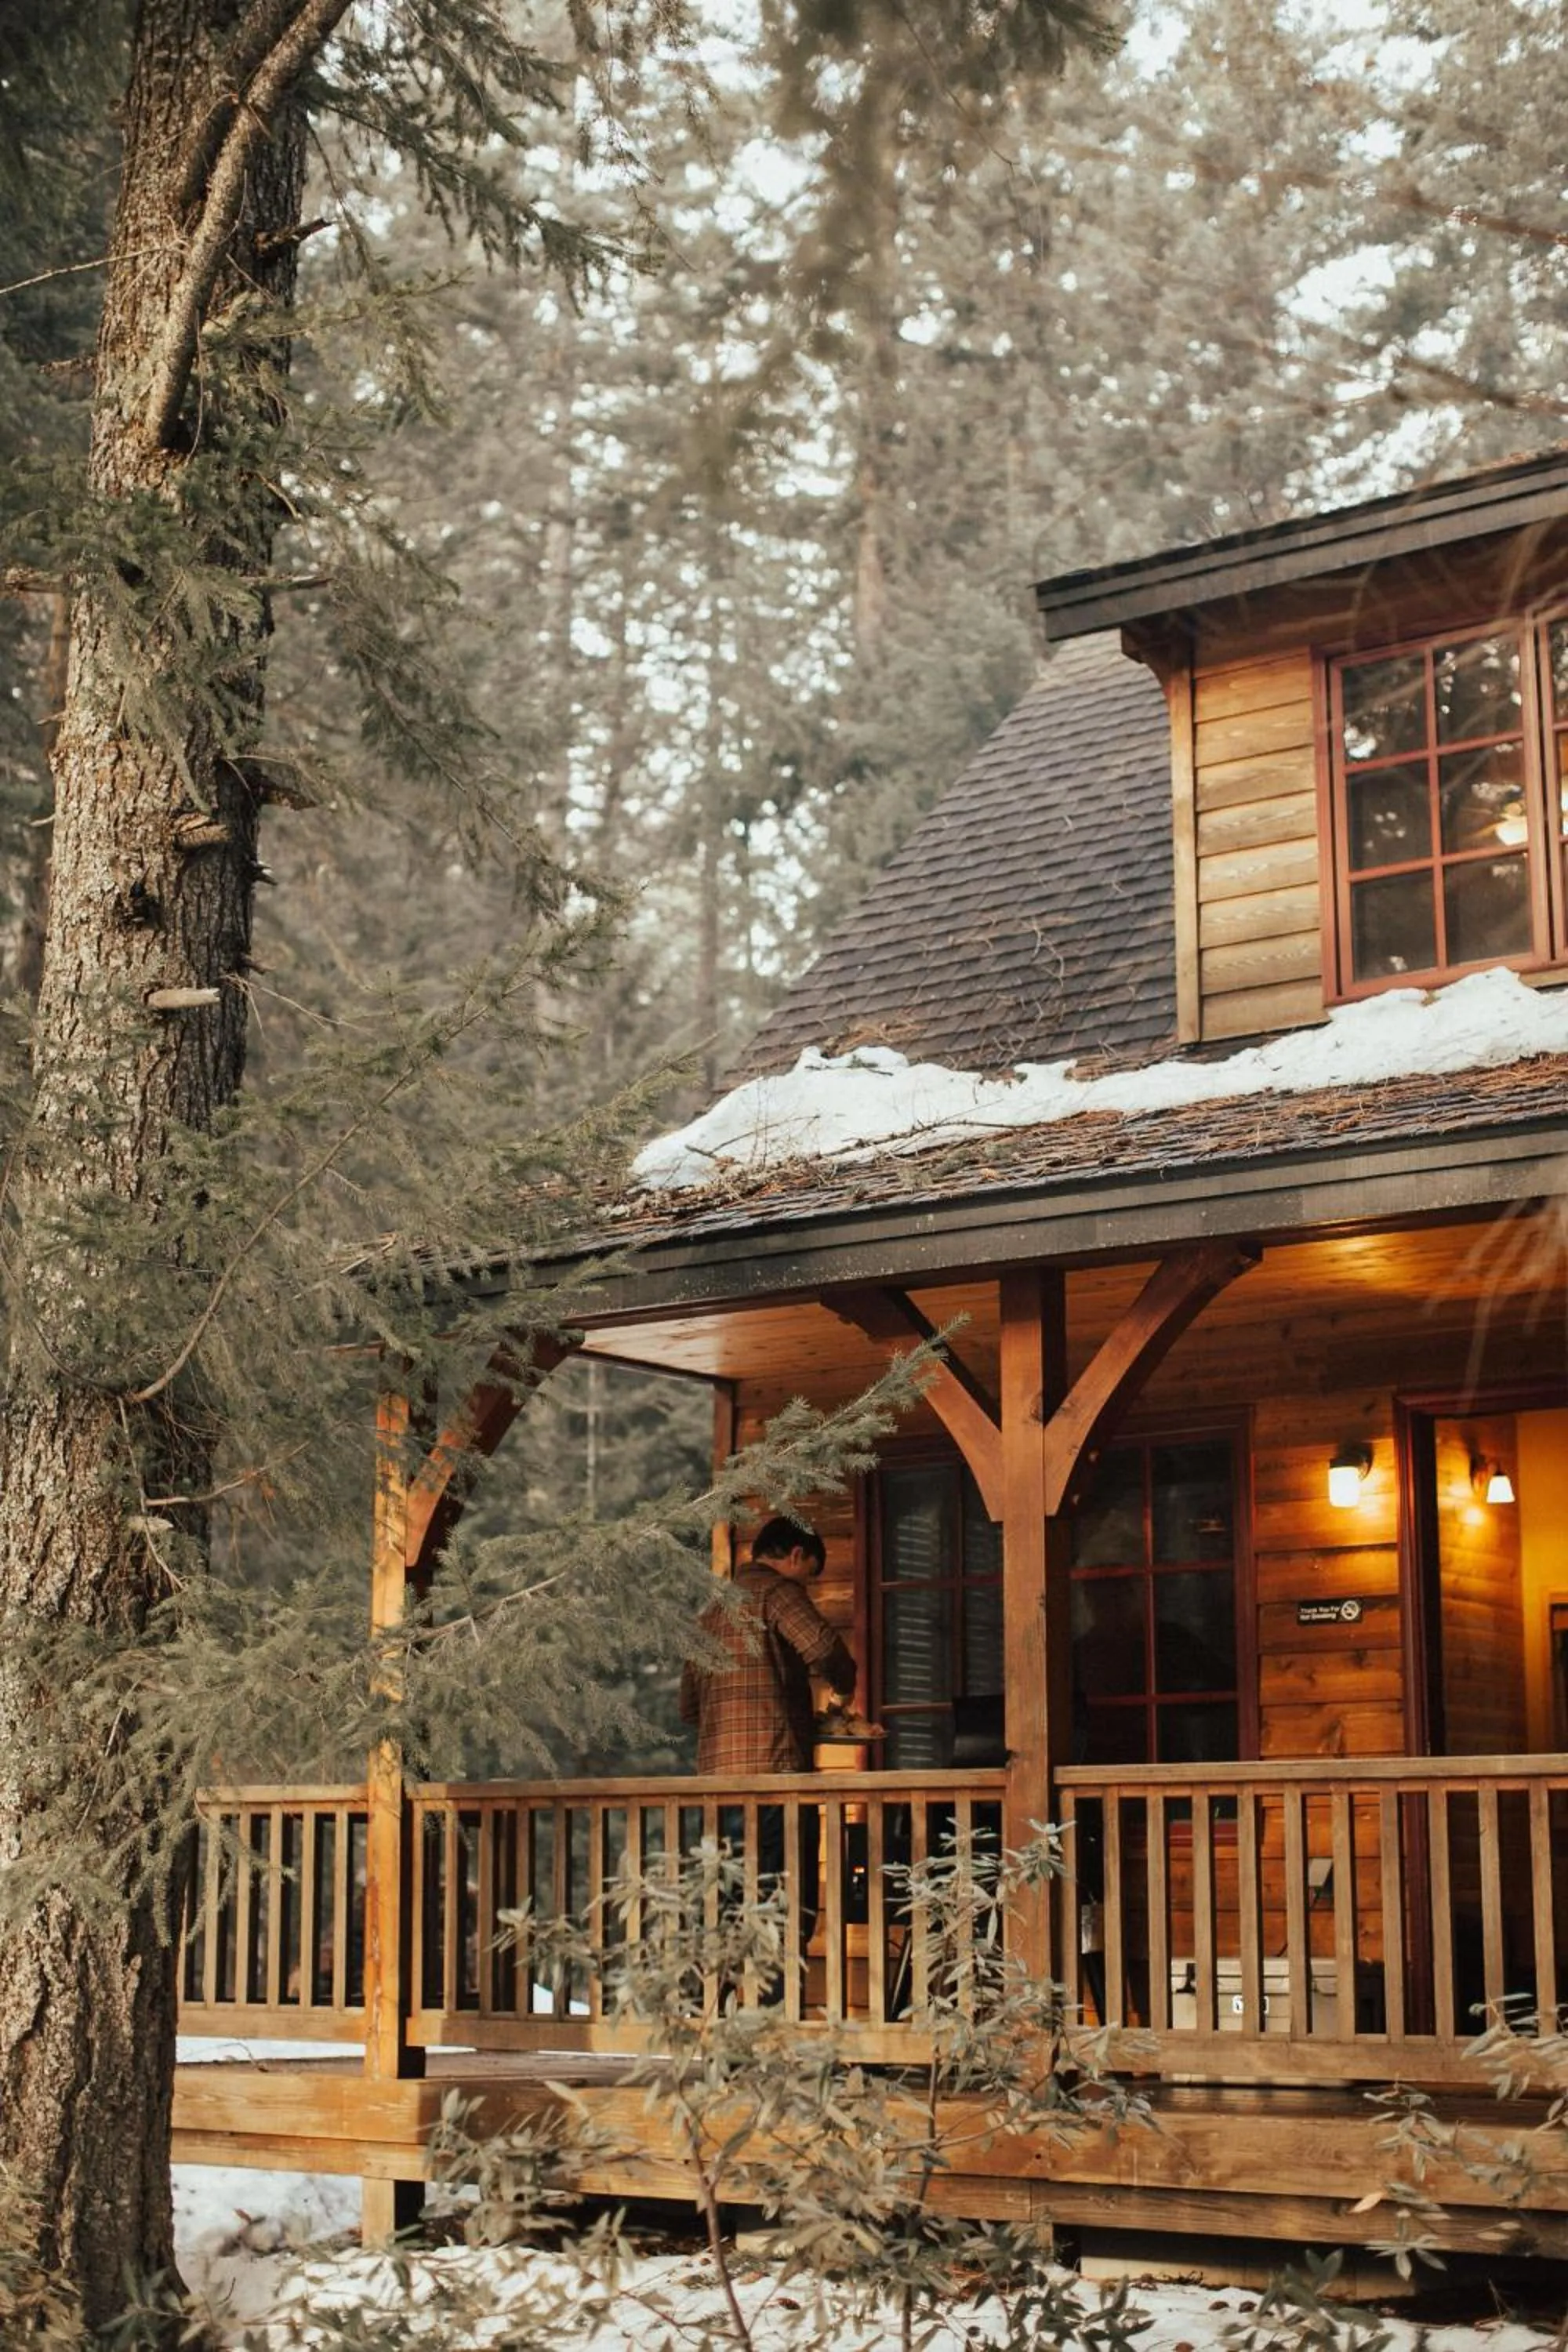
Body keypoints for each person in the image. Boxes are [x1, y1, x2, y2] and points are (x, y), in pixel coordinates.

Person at [679, 1518, 857, 1984]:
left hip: (717, 1785)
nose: (808, 1587)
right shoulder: (776, 1592)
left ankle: (723, 2016)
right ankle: (776, 2012)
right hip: (775, 1776)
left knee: (726, 1898)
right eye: (811, 1574)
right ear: (794, 1555)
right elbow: (823, 1648)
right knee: (782, 1894)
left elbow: (689, 1707)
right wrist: (844, 1690)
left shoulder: (713, 1607)